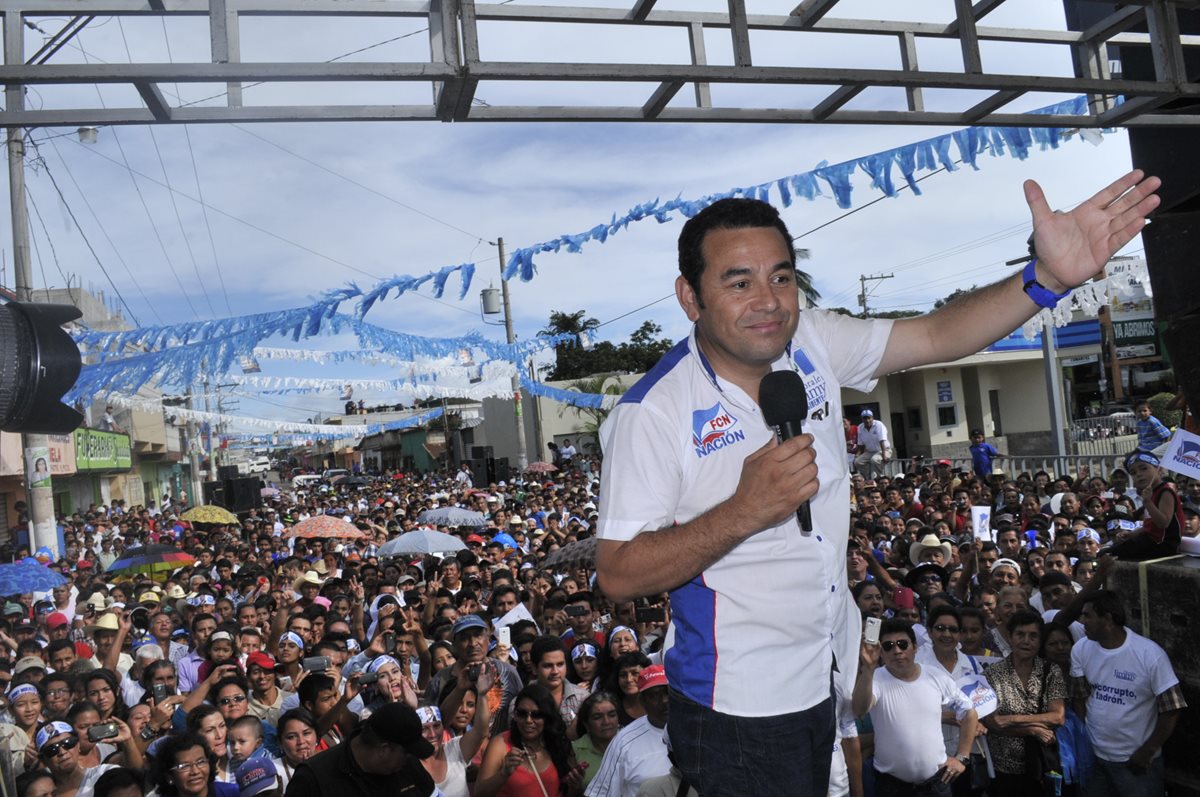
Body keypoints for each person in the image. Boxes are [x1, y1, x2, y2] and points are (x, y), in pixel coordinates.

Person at [595, 173, 1160, 794]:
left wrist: (1047, 279)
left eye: (781, 277)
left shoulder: (813, 341)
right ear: (689, 296)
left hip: (825, 683)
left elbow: (938, 333)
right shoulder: (652, 412)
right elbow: (619, 572)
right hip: (735, 705)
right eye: (739, 282)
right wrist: (745, 510)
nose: (769, 300)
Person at [1070, 590, 1185, 797]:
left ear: (1108, 619)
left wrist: (1148, 751)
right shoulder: (1081, 649)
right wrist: (1085, 742)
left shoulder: (1149, 654)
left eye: (1088, 615)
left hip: (1135, 762)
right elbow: (1080, 698)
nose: (1082, 621)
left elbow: (1172, 708)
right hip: (1096, 759)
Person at [852, 621, 979, 797]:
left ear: (915, 648)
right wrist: (868, 669)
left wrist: (962, 757)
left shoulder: (935, 676)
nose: (897, 651)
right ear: (881, 652)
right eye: (888, 646)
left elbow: (969, 712)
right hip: (891, 787)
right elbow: (859, 709)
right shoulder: (875, 680)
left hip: (937, 784)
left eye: (903, 644)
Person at [982, 611, 1066, 797]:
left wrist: (1011, 719)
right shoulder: (992, 674)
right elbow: (992, 723)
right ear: (1010, 637)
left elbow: (1057, 717)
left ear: (1040, 641)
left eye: (1033, 636)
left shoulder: (1051, 671)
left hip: (1041, 764)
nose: (1026, 641)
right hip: (1003, 766)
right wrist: (1033, 729)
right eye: (1020, 634)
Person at [284, 702, 439, 797]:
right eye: (405, 752)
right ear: (384, 749)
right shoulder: (313, 779)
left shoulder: (408, 765)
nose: (409, 758)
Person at [476, 683, 579, 797]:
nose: (528, 720)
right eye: (522, 713)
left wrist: (575, 786)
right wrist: (503, 773)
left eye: (536, 714)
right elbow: (479, 793)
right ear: (514, 715)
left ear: (547, 717)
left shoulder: (558, 743)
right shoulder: (500, 744)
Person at [584, 665, 671, 797]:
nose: (664, 700)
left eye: (668, 692)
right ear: (642, 701)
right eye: (654, 696)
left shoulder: (697, 732)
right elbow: (598, 794)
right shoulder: (624, 741)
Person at [1109, 451, 1182, 560]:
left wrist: (1148, 503)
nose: (1138, 474)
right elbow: (1150, 525)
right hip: (1150, 540)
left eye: (1144, 468)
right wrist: (1131, 534)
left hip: (1163, 544)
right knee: (1111, 551)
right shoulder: (1151, 492)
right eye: (1133, 472)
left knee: (1117, 555)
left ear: (1159, 470)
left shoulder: (1166, 492)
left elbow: (1163, 523)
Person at [153, 731, 239, 797]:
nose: (195, 771)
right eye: (184, 766)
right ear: (169, 777)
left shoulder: (233, 793)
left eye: (201, 762)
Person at [572, 692, 621, 791]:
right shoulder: (574, 751)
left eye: (612, 715)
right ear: (586, 724)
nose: (606, 722)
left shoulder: (631, 743)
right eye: (597, 717)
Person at [856, 410, 891, 481]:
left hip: (884, 449)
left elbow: (882, 441)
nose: (867, 420)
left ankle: (880, 478)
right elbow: (860, 444)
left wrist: (884, 455)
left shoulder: (879, 425)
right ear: (862, 419)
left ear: (872, 418)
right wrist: (857, 455)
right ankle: (868, 478)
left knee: (874, 460)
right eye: (865, 418)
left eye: (869, 418)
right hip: (870, 452)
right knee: (858, 461)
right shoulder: (860, 427)